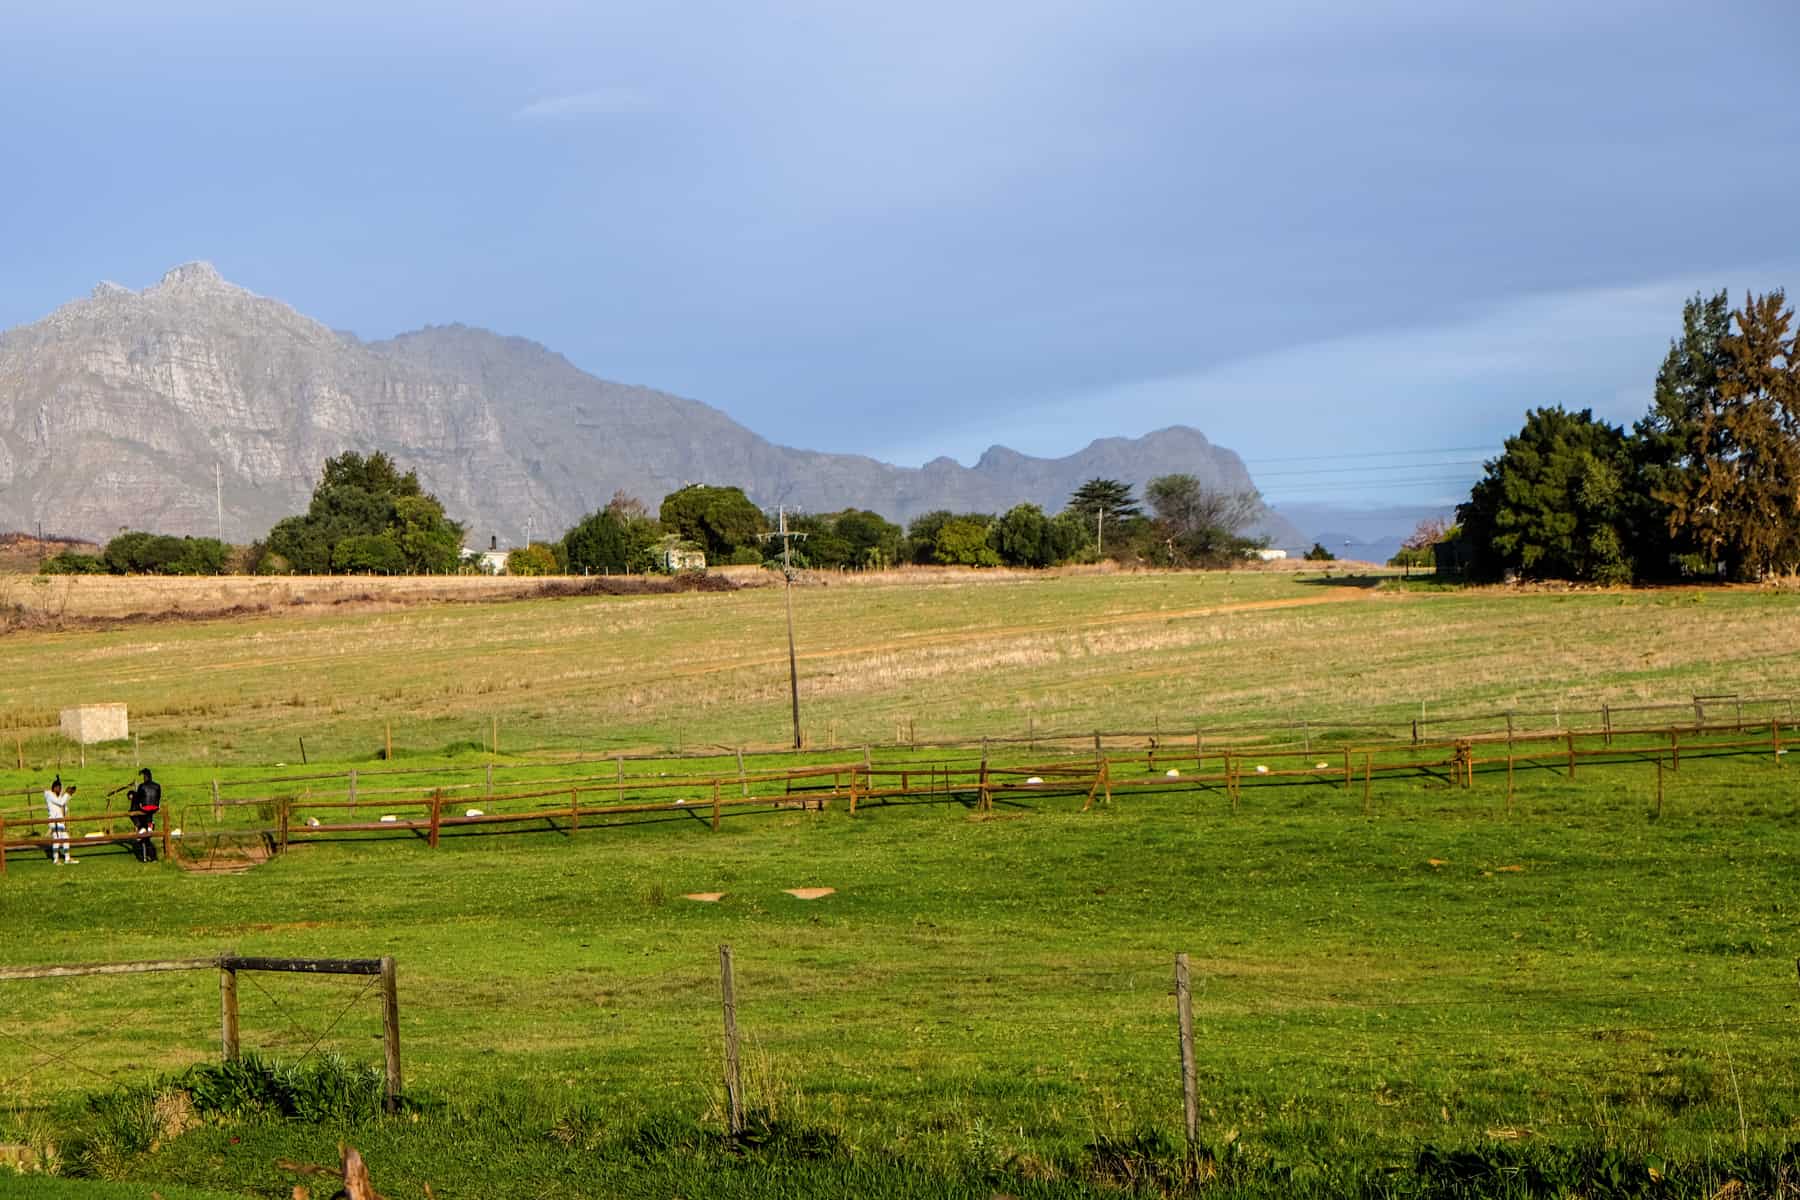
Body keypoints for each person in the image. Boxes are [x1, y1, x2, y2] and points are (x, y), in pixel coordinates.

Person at [127, 768, 161, 863]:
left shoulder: (142, 787)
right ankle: (151, 857)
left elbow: (138, 799)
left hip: (144, 813)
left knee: (144, 840)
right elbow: (158, 797)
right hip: (153, 810)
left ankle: (146, 857)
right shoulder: (157, 786)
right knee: (146, 839)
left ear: (144, 777)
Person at [44, 776, 78, 865]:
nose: (60, 789)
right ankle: (56, 859)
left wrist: (70, 794)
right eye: (58, 788)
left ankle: (67, 858)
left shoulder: (57, 796)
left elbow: (63, 805)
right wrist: (67, 793)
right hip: (54, 821)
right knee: (57, 840)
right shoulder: (50, 796)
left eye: (61, 788)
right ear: (54, 788)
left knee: (66, 838)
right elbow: (61, 803)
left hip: (60, 821)